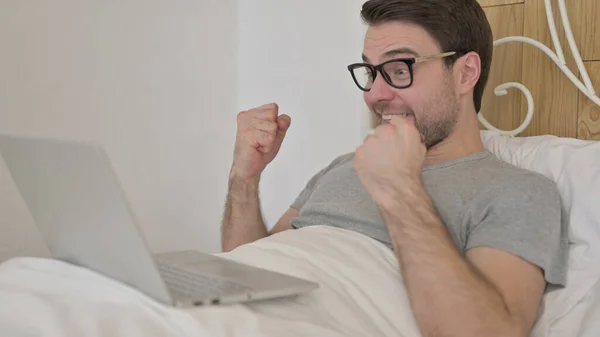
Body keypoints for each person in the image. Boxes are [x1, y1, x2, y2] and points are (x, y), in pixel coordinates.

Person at [221, 0, 568, 336]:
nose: (374, 95)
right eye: (370, 72)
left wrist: (399, 189)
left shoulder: (518, 191)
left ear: (466, 73)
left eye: (399, 69)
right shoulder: (344, 167)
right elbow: (247, 271)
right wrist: (244, 177)